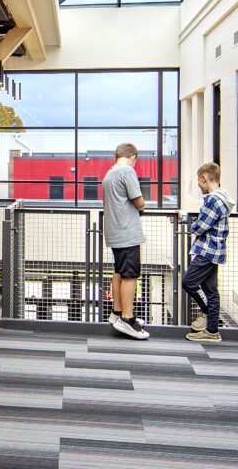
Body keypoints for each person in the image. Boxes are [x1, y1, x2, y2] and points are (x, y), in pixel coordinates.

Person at [100, 142, 148, 339]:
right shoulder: (127, 171)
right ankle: (128, 319)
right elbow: (139, 201)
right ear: (133, 156)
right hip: (127, 232)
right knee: (130, 275)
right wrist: (142, 207)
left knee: (119, 272)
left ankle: (117, 313)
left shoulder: (109, 174)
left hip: (115, 232)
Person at [182, 162, 232, 343]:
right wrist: (187, 218)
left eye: (198, 180)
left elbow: (200, 227)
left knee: (188, 282)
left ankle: (204, 311)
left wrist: (190, 224)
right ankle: (212, 331)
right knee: (211, 291)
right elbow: (206, 220)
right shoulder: (221, 198)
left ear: (204, 178)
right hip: (214, 251)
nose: (198, 185)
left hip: (207, 251)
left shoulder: (213, 200)